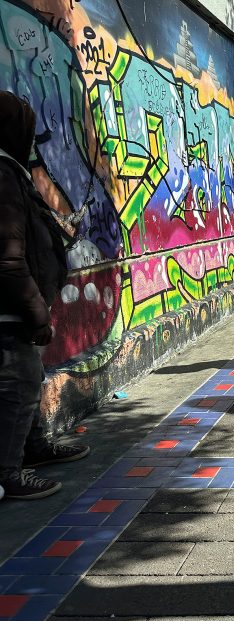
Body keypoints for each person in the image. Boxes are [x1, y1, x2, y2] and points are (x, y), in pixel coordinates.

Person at [0, 91, 90, 500]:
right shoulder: (2, 175)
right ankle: (9, 473)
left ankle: (32, 449)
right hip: (12, 313)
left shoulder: (11, 173)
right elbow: (8, 259)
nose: (33, 141)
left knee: (28, 383)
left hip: (20, 309)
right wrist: (36, 313)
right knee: (17, 390)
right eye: (27, 130)